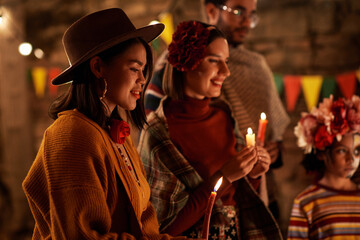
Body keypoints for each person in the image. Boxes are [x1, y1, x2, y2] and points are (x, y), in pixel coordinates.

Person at [22, 8, 188, 240]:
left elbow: (144, 227)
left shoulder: (114, 133)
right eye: (134, 68)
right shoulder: (72, 134)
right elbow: (81, 236)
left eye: (143, 70)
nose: (142, 80)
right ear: (98, 67)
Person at [144, 0, 290, 220]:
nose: (247, 21)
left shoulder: (250, 75)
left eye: (252, 14)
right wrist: (227, 174)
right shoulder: (162, 126)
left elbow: (239, 187)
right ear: (212, 10)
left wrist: (265, 159)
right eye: (239, 11)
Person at [287, 95, 360, 239]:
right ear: (321, 153)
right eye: (342, 150)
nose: (351, 159)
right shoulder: (306, 202)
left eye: (357, 151)